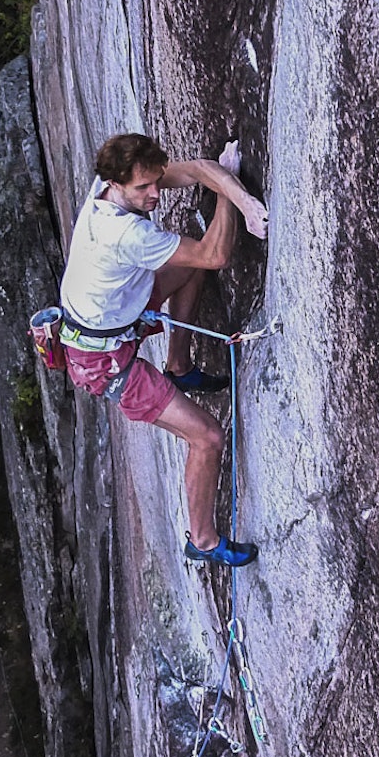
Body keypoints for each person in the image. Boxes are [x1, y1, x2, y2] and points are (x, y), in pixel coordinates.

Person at [57, 133, 268, 567]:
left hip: (113, 322)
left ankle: (178, 365)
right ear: (116, 183)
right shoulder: (126, 233)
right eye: (144, 188)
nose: (155, 193)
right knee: (208, 437)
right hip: (106, 362)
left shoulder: (107, 190)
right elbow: (215, 255)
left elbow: (194, 169)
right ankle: (204, 541)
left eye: (155, 181)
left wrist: (234, 190)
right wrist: (230, 195)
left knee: (184, 268)